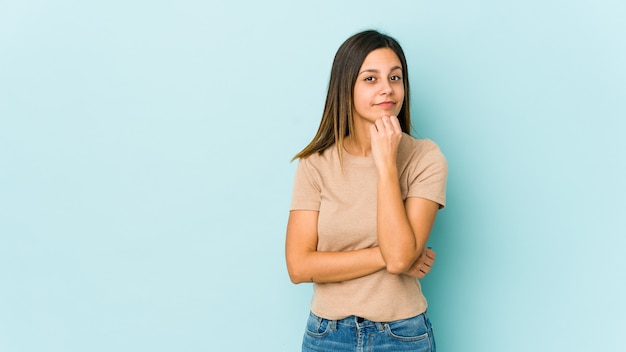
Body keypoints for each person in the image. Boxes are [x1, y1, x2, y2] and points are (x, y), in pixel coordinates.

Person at [286, 30, 448, 352]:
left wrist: (386, 163)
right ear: (346, 87)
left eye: (395, 77)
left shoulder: (425, 158)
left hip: (402, 335)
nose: (387, 88)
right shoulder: (315, 164)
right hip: (326, 335)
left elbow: (401, 256)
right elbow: (299, 266)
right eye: (370, 78)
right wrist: (387, 256)